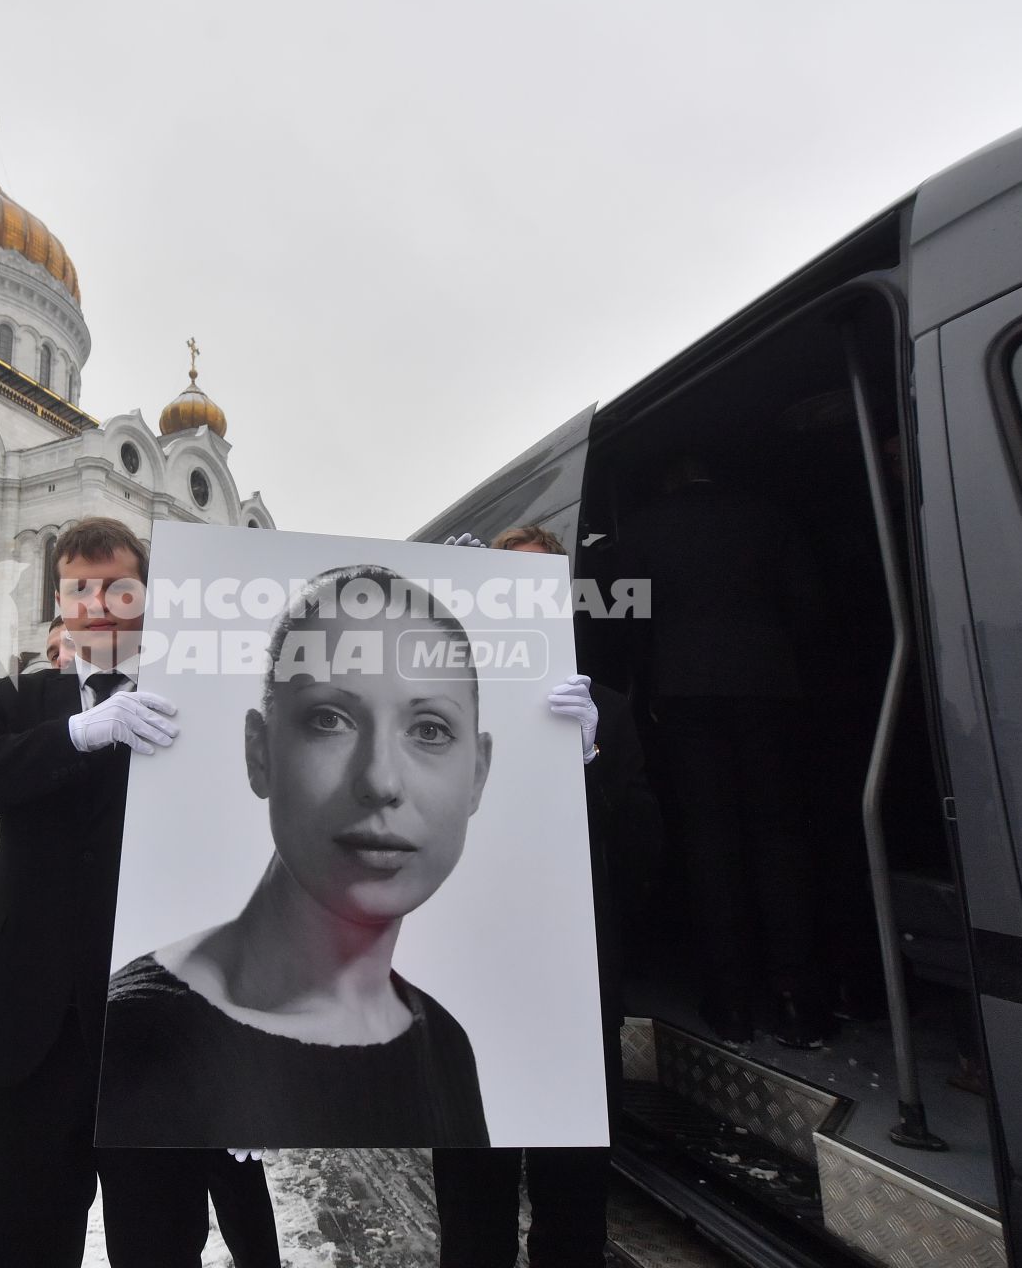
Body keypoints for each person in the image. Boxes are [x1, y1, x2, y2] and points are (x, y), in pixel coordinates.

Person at [99, 562, 604, 1150]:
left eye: (431, 730)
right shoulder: (142, 1034)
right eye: (329, 720)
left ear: (478, 775)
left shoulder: (442, 1041)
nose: (381, 780)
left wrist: (577, 755)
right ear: (259, 752)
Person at [0, 516, 279, 1268]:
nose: (100, 605)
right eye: (81, 589)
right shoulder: (23, 701)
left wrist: (250, 1063)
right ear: (60, 602)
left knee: (163, 1242)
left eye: (120, 588)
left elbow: (250, 855)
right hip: (29, 1037)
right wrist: (77, 734)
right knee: (21, 1239)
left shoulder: (200, 700)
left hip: (159, 1042)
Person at [433, 523, 660, 1267]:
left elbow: (645, 859)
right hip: (472, 997)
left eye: (537, 586)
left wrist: (590, 755)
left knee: (572, 1207)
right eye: (505, 587)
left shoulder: (608, 711)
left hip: (572, 997)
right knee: (473, 1204)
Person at [617, 455, 828, 1047]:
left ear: (668, 477)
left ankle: (732, 1004)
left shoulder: (642, 529)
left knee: (709, 842)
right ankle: (798, 1002)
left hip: (684, 697)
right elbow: (809, 611)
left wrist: (651, 683)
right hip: (771, 691)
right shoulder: (769, 518)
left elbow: (629, 621)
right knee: (782, 838)